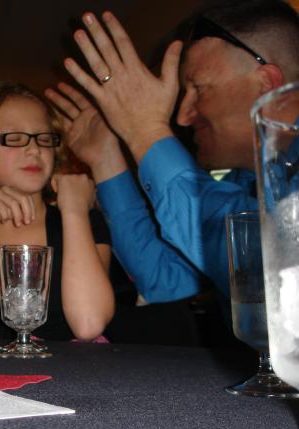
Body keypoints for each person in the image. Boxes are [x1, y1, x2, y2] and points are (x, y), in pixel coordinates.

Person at [46, 0, 299, 301]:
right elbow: (165, 280)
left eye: (199, 88)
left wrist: (145, 132)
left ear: (266, 83)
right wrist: (105, 159)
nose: (182, 117)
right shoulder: (244, 181)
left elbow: (272, 269)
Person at [0, 81, 115, 341]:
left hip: (72, 365)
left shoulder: (85, 219)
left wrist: (74, 212)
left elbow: (88, 325)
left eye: (44, 138)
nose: (34, 149)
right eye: (14, 138)